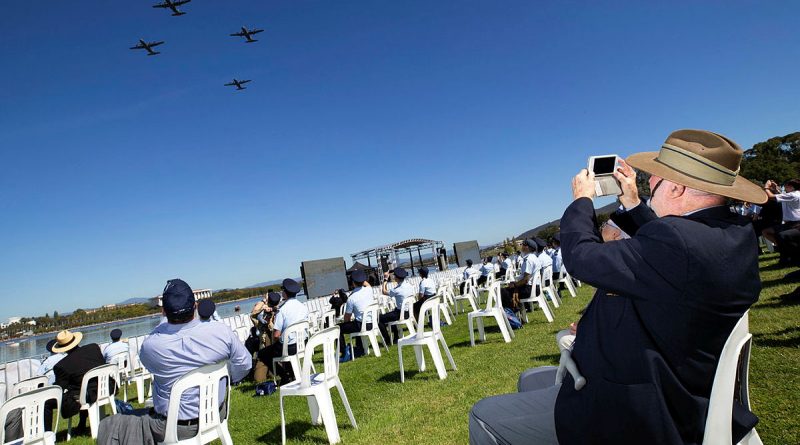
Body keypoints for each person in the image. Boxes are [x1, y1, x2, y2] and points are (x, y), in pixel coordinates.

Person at [469, 129, 766, 444]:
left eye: (656, 177)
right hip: (682, 385)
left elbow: (582, 257)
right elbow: (674, 258)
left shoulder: (680, 242)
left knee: (484, 414)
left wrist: (583, 199)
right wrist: (632, 201)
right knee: (530, 379)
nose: (648, 182)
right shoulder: (732, 235)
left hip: (641, 409)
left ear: (677, 188)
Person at [97, 278, 251, 444]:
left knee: (109, 424)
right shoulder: (221, 332)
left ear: (163, 311)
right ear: (195, 306)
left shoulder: (152, 346)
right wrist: (229, 377)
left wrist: (164, 322)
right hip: (216, 413)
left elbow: (148, 361)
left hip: (173, 427)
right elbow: (245, 364)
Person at [51, 329, 107, 435]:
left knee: (49, 403)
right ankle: (82, 423)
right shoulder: (94, 348)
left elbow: (59, 389)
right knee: (81, 388)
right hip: (106, 387)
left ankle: (48, 435)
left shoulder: (62, 365)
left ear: (62, 348)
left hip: (88, 394)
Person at [255, 279, 309, 384]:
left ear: (284, 292)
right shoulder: (303, 307)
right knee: (284, 345)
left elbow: (276, 335)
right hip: (303, 343)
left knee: (263, 353)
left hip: (289, 347)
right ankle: (292, 374)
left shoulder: (282, 310)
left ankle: (285, 376)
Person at [337, 270, 374, 362]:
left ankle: (344, 352)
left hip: (361, 325)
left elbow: (347, 319)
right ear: (363, 281)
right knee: (355, 323)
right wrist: (360, 276)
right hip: (372, 323)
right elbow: (367, 284)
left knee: (338, 329)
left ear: (352, 283)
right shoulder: (369, 290)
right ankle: (359, 348)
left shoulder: (351, 298)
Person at [499, 239, 539, 310]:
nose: (521, 246)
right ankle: (516, 309)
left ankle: (512, 312)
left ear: (527, 247)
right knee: (507, 290)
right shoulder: (534, 257)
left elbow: (526, 280)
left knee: (503, 292)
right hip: (535, 287)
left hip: (529, 289)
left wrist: (515, 285)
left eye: (523, 244)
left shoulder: (528, 259)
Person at [378, 268, 414, 343]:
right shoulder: (409, 286)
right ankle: (396, 336)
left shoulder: (398, 289)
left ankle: (387, 339)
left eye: (394, 276)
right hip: (409, 311)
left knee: (380, 318)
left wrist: (385, 279)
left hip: (401, 313)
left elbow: (384, 291)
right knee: (392, 313)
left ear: (396, 278)